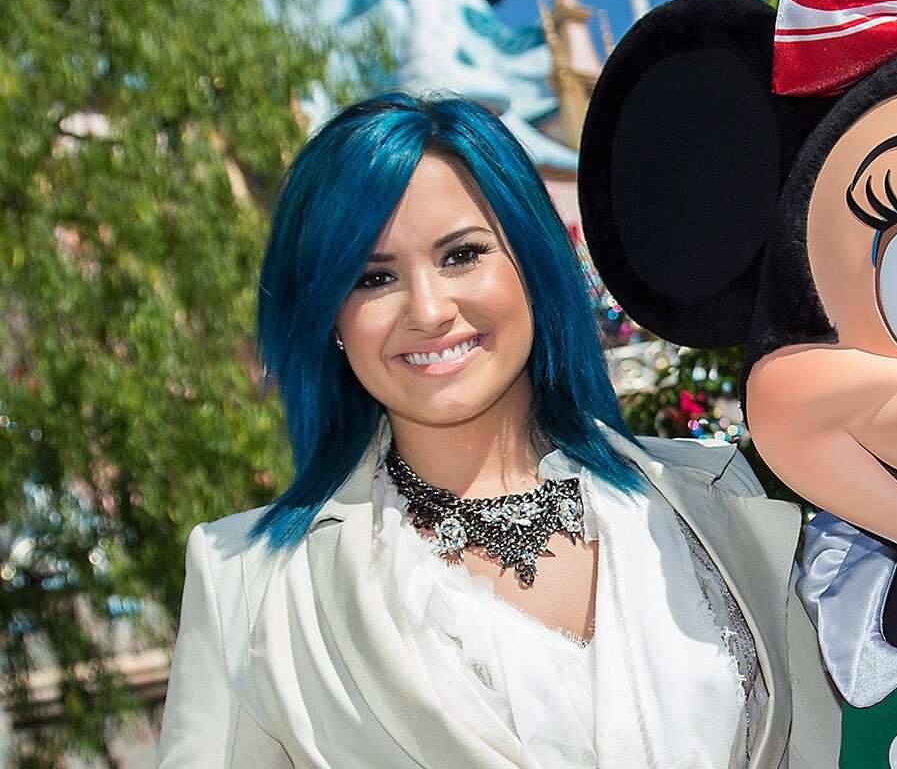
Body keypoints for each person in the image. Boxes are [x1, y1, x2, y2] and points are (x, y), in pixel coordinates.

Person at [155, 93, 840, 769]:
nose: (427, 309)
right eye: (373, 277)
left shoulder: (713, 497)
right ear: (330, 319)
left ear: (533, 265)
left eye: (461, 255)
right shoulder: (250, 585)